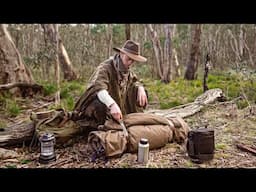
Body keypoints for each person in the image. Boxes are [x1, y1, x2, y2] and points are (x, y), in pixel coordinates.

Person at [72, 40, 148, 130]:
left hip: (118, 106)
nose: (130, 63)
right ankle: (99, 126)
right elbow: (99, 88)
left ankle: (129, 119)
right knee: (99, 104)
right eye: (129, 59)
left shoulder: (127, 71)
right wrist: (112, 105)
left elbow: (135, 80)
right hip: (96, 107)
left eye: (133, 60)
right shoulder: (105, 67)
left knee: (140, 92)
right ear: (121, 54)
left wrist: (140, 88)